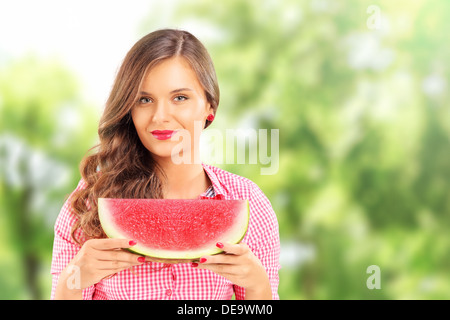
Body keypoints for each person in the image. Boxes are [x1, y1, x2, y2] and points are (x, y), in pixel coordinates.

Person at [51, 28, 281, 300]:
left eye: (180, 98)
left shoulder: (248, 203)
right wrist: (74, 279)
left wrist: (258, 287)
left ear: (210, 106)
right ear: (129, 108)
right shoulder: (91, 201)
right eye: (144, 100)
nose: (160, 116)